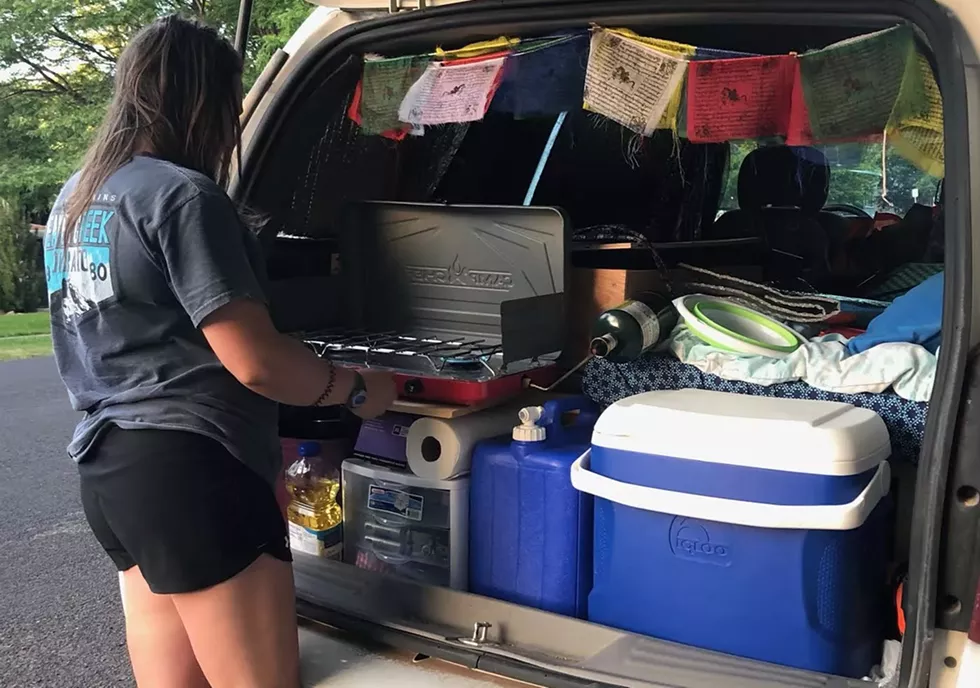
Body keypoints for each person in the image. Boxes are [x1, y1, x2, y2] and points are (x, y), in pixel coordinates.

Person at [43, 15, 396, 688]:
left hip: (112, 469)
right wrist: (355, 389)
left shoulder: (78, 198)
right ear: (205, 101)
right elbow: (255, 360)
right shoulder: (180, 195)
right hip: (193, 473)